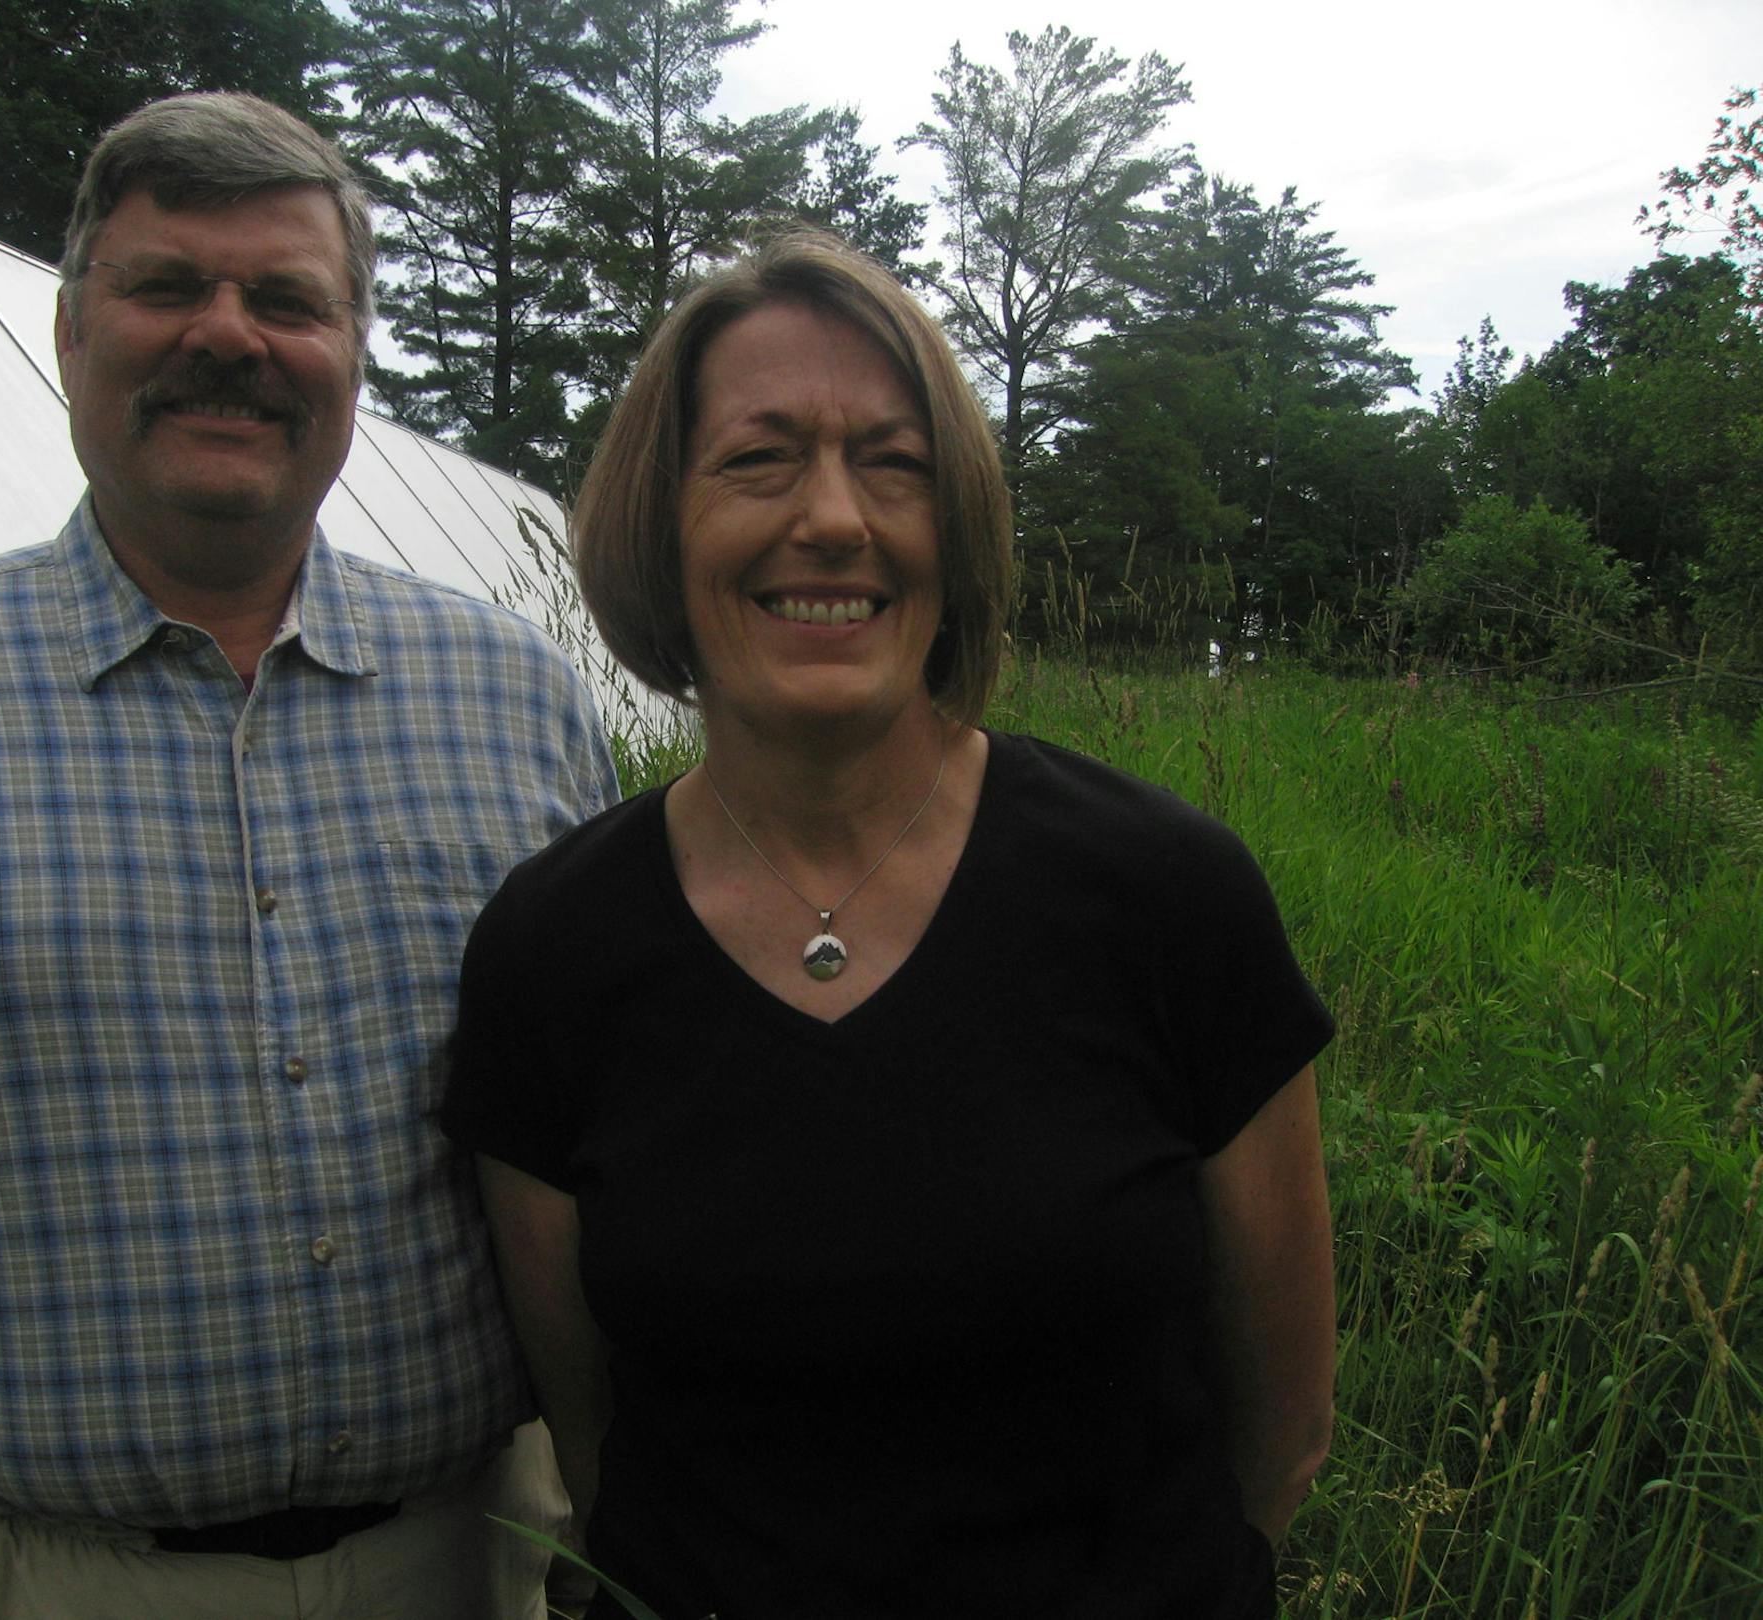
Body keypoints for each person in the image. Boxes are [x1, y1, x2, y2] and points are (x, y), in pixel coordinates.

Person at [0, 92, 613, 1620]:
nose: (230, 335)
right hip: (7, 1576)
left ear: (353, 355)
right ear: (73, 335)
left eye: (288, 300)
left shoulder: (516, 702)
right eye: (165, 288)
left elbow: (608, 1129)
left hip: (463, 1560)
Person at [442, 233, 1336, 1619]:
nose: (836, 517)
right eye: (759, 458)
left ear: (955, 526)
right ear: (659, 523)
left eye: (894, 463)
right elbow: (594, 1435)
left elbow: (1280, 1432)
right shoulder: (551, 952)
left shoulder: (1168, 897)